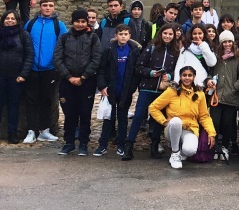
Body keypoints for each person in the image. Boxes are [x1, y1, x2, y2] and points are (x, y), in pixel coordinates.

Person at [53, 9, 101, 156]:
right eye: (77, 21)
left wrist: (83, 77)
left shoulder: (93, 38)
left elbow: (96, 59)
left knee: (85, 112)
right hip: (67, 81)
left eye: (83, 21)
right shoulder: (64, 37)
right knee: (69, 112)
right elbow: (57, 59)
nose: (80, 24)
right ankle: (69, 142)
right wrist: (69, 77)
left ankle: (83, 143)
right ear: (72, 22)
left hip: (86, 82)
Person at [148, 65, 216, 169]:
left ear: (194, 77)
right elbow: (153, 107)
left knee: (190, 151)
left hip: (190, 128)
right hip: (173, 128)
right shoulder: (172, 91)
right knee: (176, 121)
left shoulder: (200, 94)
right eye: (184, 75)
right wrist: (164, 122)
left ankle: (182, 150)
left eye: (190, 75)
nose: (187, 78)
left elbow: (204, 116)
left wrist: (211, 133)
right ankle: (175, 153)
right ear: (180, 76)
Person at [129, 23, 180, 158]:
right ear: (160, 34)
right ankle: (129, 144)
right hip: (147, 87)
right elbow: (139, 67)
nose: (167, 36)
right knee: (139, 115)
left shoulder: (176, 52)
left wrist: (170, 76)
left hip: (163, 90)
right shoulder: (151, 48)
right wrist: (151, 72)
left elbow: (178, 70)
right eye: (165, 33)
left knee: (158, 119)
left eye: (170, 34)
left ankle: (155, 146)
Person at [23, 0, 68, 144]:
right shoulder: (30, 24)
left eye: (50, 5)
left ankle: (44, 131)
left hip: (50, 68)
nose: (47, 8)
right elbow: (24, 43)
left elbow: (64, 45)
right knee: (31, 100)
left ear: (53, 7)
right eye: (45, 5)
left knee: (47, 100)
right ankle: (31, 131)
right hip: (32, 68)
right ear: (40, 7)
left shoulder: (59, 25)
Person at [0, 10, 34, 146]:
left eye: (13, 19)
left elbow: (29, 55)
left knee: (14, 105)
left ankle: (12, 133)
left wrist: (23, 74)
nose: (10, 21)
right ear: (3, 20)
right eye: (7, 18)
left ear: (17, 21)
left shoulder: (23, 35)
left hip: (16, 75)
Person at [95, 24, 142, 158]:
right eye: (121, 34)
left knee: (122, 119)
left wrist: (131, 88)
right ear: (116, 36)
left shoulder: (134, 51)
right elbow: (102, 69)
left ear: (129, 36)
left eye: (125, 34)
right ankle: (103, 145)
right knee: (108, 118)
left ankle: (121, 145)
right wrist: (102, 86)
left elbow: (136, 72)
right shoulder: (109, 50)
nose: (123, 37)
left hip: (125, 91)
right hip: (110, 90)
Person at [209, 30, 239, 162]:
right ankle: (215, 146)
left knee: (228, 123)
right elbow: (210, 71)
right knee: (215, 121)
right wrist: (209, 80)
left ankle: (224, 146)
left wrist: (235, 87)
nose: (227, 44)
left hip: (231, 96)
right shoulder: (216, 57)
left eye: (230, 41)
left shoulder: (238, 57)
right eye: (225, 42)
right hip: (216, 96)